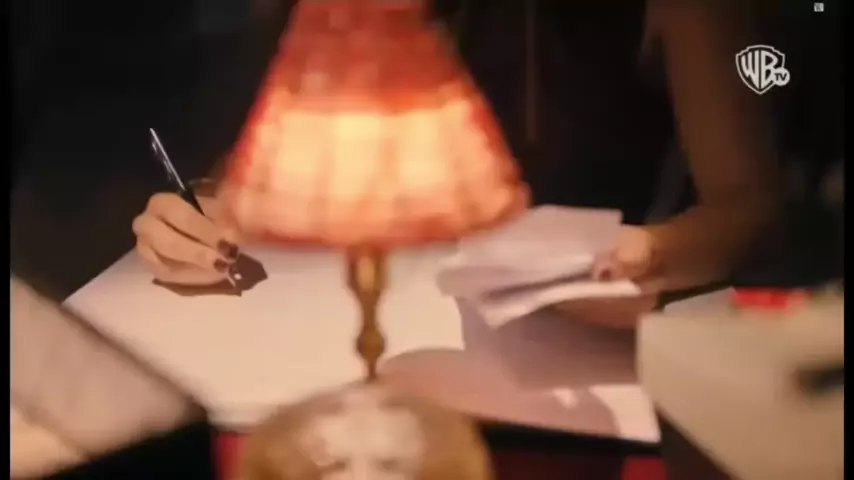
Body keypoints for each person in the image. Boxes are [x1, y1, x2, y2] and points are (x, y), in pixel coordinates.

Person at [131, 0, 783, 326]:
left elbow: (750, 203)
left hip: (580, 338)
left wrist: (648, 253)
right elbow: (286, 149)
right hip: (387, 316)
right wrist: (208, 210)